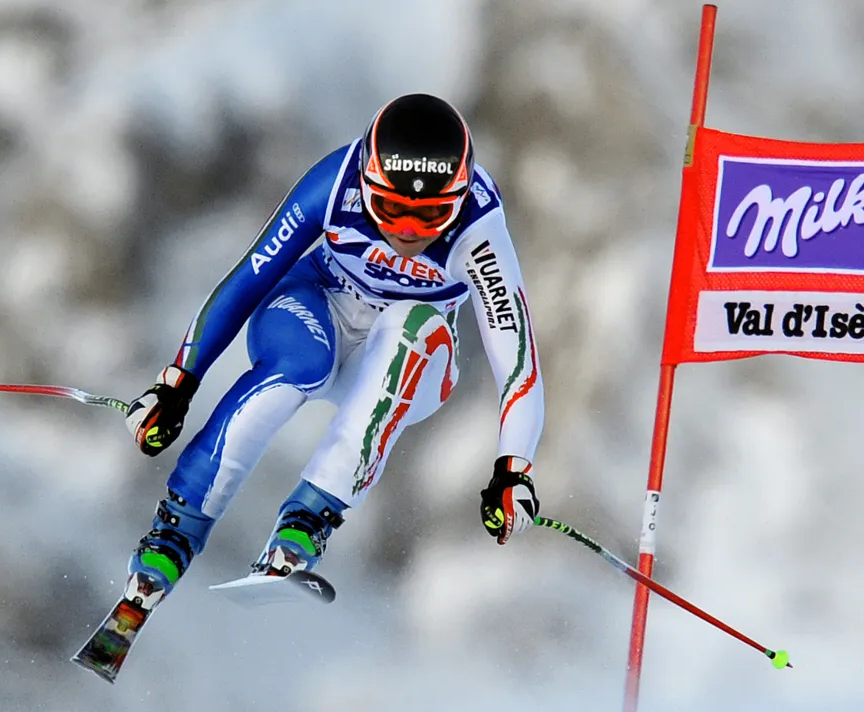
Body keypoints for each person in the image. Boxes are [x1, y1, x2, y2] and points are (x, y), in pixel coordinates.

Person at [76, 94, 545, 679]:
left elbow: (518, 357)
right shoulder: (336, 182)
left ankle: (304, 525)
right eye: (390, 210)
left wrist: (513, 469)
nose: (407, 233)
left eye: (429, 220)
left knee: (415, 323)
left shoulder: (480, 225)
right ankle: (172, 537)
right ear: (369, 185)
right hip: (314, 309)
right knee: (299, 363)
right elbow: (250, 278)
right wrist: (179, 381)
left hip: (404, 360)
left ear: (458, 200)